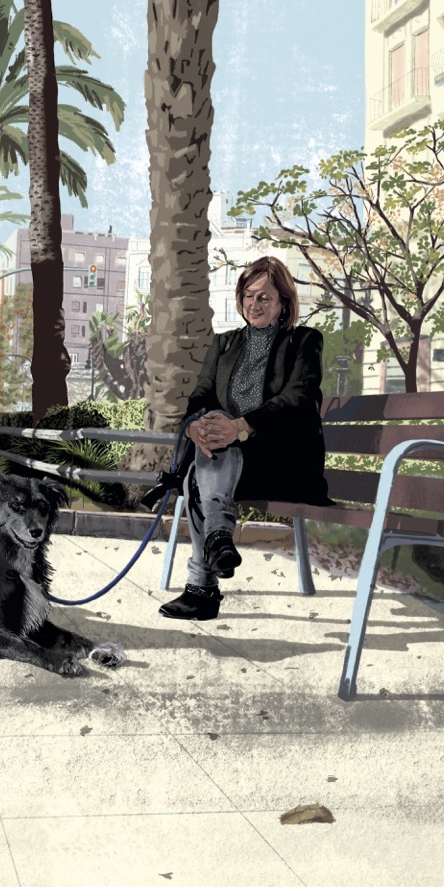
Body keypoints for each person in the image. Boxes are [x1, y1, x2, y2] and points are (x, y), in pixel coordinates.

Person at [159, 255, 331, 622]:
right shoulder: (223, 345)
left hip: (282, 463)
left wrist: (242, 427)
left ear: (284, 302)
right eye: (248, 296)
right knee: (211, 437)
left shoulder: (303, 341)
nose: (254, 304)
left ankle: (202, 586)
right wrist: (194, 426)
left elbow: (299, 398)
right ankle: (219, 541)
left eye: (265, 297)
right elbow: (199, 398)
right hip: (226, 463)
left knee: (205, 462)